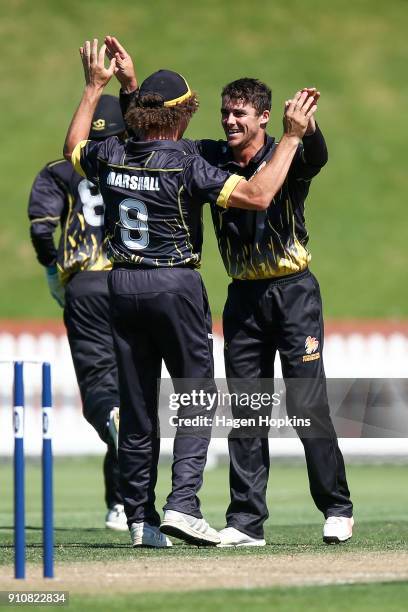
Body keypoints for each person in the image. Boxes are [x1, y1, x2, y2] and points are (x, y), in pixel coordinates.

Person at [63, 37, 316, 548]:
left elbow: (71, 148)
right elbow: (259, 194)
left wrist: (97, 87)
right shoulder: (185, 160)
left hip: (120, 285)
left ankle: (140, 518)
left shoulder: (110, 152)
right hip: (173, 284)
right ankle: (183, 505)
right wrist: (289, 137)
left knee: (136, 408)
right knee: (196, 396)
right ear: (180, 119)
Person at [28, 94, 128, 532]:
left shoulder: (59, 171)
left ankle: (121, 497)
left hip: (86, 282)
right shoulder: (136, 163)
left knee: (101, 392)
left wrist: (53, 271)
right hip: (134, 281)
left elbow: (40, 227)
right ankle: (122, 503)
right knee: (132, 392)